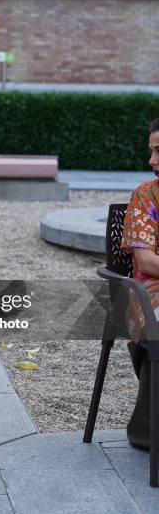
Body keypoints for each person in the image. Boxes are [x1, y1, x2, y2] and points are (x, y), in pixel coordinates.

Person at [121, 117, 159, 449]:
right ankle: (148, 430)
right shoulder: (145, 196)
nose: (152, 161)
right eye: (151, 151)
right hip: (150, 292)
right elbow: (146, 261)